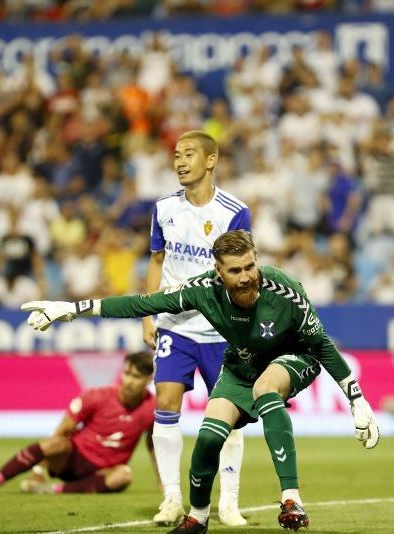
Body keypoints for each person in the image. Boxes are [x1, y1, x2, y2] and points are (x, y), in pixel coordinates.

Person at [22, 230, 379, 532]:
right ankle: (198, 516)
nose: (246, 277)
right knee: (209, 437)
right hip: (241, 364)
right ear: (218, 272)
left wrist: (356, 400)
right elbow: (142, 304)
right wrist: (71, 310)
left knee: (267, 388)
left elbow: (323, 345)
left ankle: (291, 499)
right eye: (235, 270)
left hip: (295, 357)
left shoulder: (284, 290)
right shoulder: (202, 290)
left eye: (250, 266)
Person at [144, 130, 251, 527]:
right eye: (176, 155)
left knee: (229, 415)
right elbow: (157, 262)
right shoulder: (163, 209)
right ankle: (172, 497)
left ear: (211, 160)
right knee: (166, 401)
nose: (180, 161)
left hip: (221, 331)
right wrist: (147, 315)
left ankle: (229, 502)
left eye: (189, 154)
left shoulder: (233, 211)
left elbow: (243, 272)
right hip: (175, 326)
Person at [0, 351, 156, 495]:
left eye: (136, 376)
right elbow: (62, 432)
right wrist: (38, 469)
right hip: (71, 460)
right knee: (55, 443)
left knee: (123, 476)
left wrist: (163, 482)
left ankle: (51, 490)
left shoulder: (152, 407)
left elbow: (154, 444)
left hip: (103, 472)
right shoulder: (96, 397)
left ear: (149, 379)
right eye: (126, 373)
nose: (129, 381)